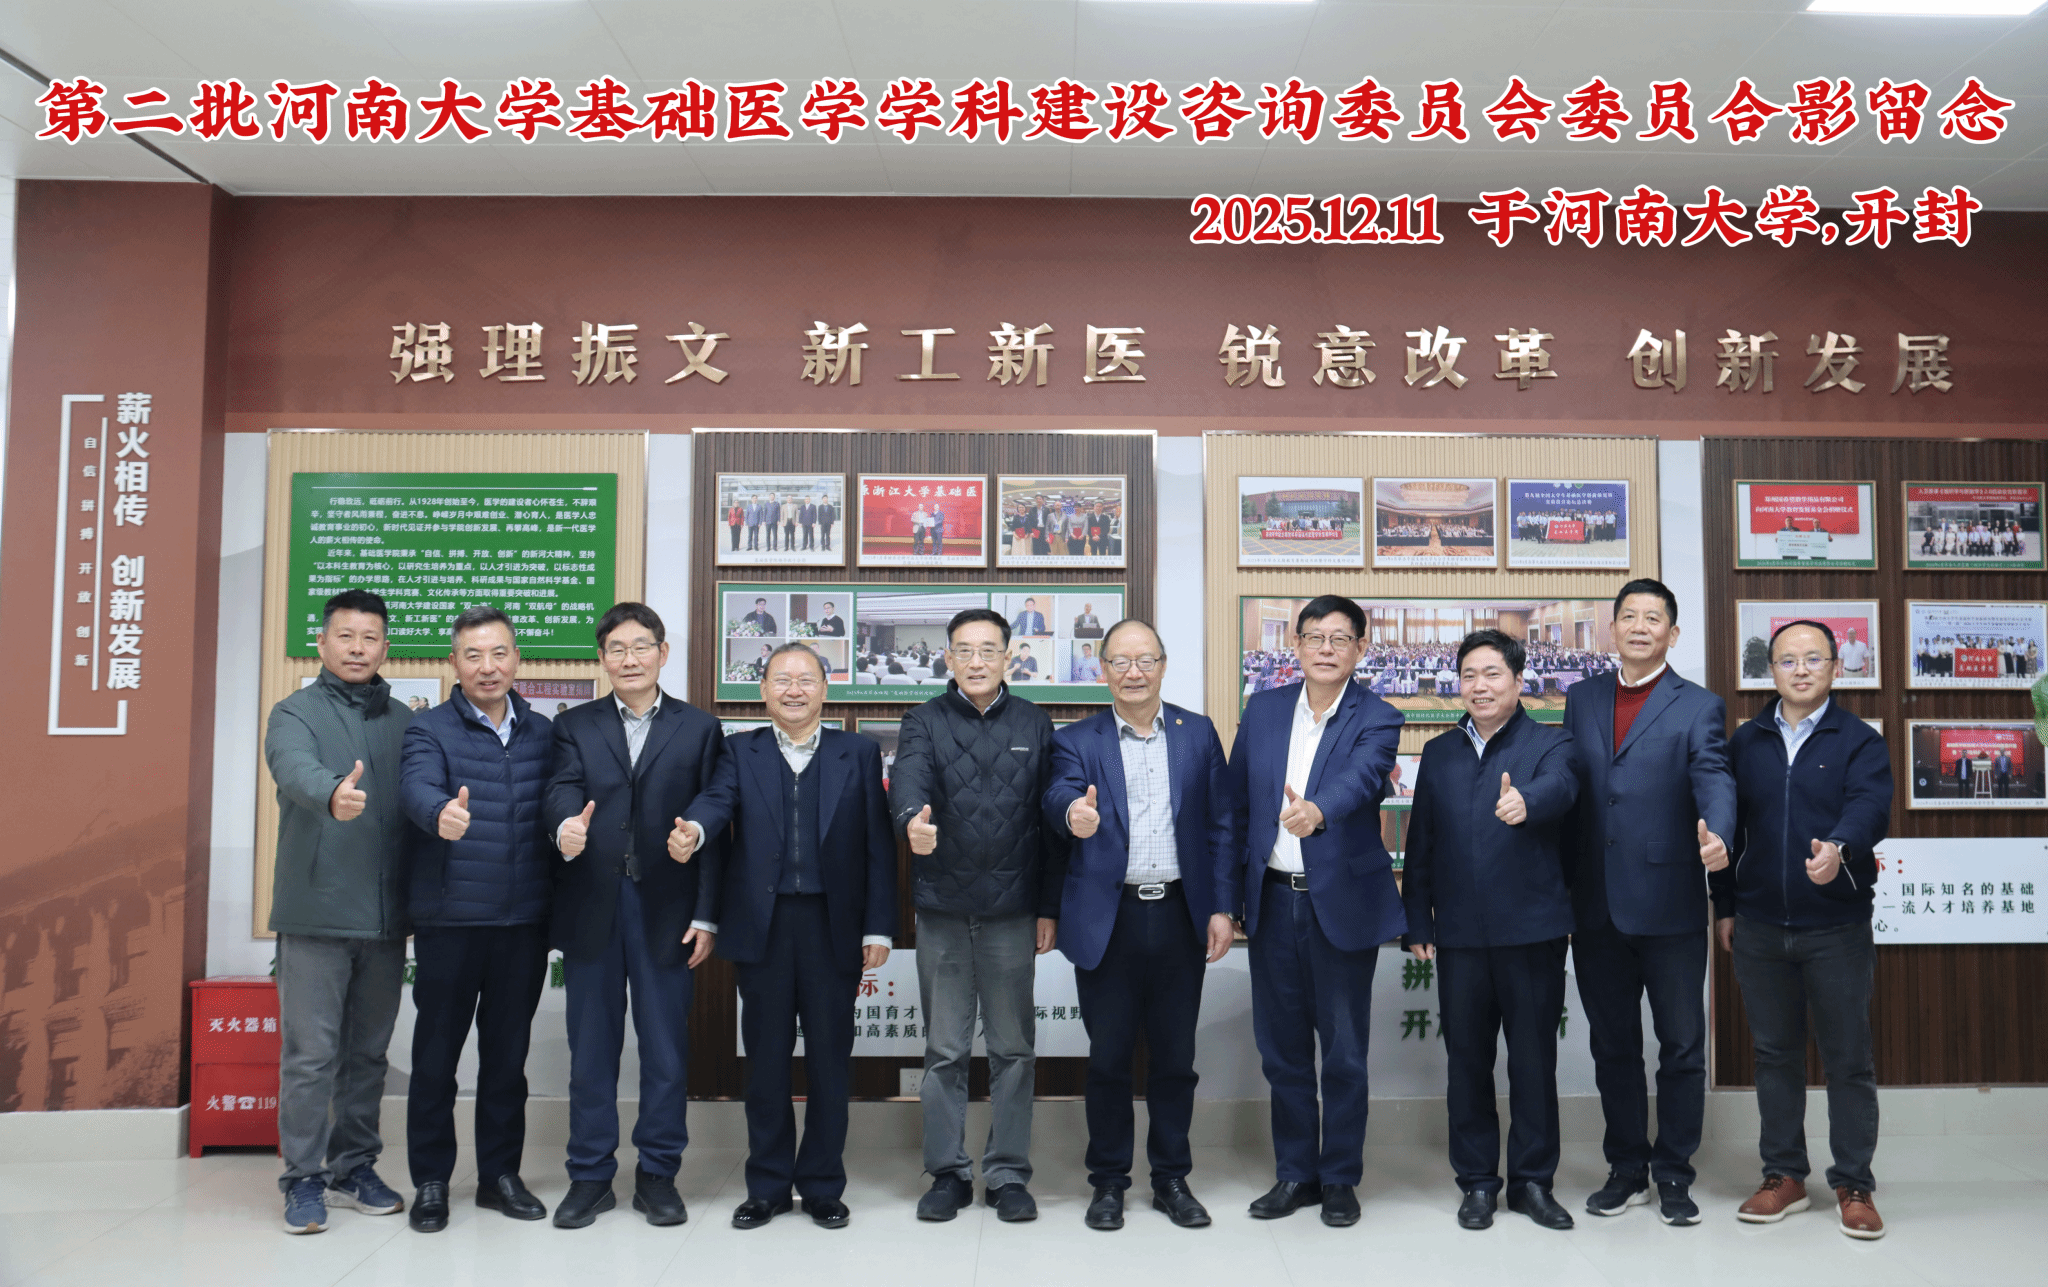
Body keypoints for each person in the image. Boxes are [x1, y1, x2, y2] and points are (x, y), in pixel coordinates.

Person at [681, 644, 897, 1230]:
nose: (794, 690)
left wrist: (879, 925)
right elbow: (717, 802)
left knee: (830, 1061)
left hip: (834, 926)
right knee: (766, 1062)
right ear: (763, 692)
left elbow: (878, 847)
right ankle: (768, 1186)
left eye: (806, 680)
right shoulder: (739, 750)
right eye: (782, 680)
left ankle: (823, 1184)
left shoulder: (857, 752)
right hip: (764, 927)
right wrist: (695, 828)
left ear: (826, 689)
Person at [1043, 619, 1238, 1232]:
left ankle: (1171, 1178)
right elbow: (1059, 795)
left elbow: (1222, 823)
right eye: (1121, 662)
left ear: (1162, 665)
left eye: (1145, 660)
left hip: (1180, 914)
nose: (1134, 672)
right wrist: (1072, 814)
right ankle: (1108, 1182)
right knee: (1108, 1059)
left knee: (1175, 1058)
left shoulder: (1196, 733)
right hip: (1110, 919)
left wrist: (1222, 907)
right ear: (1102, 669)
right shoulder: (1077, 739)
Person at [1225, 596, 1404, 1228]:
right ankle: (1295, 1172)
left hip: (1342, 903)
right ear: (1296, 646)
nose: (1326, 648)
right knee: (1283, 1050)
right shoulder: (1265, 709)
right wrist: (1231, 897)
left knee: (1345, 1052)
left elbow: (1365, 777)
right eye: (1315, 637)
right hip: (1272, 900)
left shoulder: (1378, 715)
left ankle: (1340, 1177)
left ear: (1361, 648)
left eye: (1340, 638)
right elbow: (1236, 805)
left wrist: (1318, 809)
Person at [544, 603, 724, 1229]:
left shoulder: (699, 728)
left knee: (666, 1051)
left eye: (641, 646)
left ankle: (657, 1174)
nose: (629, 659)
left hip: (667, 909)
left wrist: (705, 904)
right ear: (602, 658)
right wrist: (564, 826)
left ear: (662, 653)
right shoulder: (575, 725)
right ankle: (590, 1175)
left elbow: (717, 803)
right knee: (591, 1051)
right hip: (593, 904)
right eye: (616, 649)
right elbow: (560, 788)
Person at [1562, 578, 1736, 1227]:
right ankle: (1627, 1167)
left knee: (1682, 1045)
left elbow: (1713, 775)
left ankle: (1674, 1172)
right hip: (1596, 903)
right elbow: (1571, 784)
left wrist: (1719, 833)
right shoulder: (1582, 698)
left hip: (1670, 902)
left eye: (1653, 617)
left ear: (1673, 633)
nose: (1640, 626)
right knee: (1613, 1046)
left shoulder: (1698, 705)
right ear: (1612, 629)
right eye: (1629, 616)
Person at [1713, 620, 1893, 1240]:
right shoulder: (1747, 741)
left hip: (1835, 925)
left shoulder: (1859, 740)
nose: (1800, 669)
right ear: (1772, 671)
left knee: (1848, 1058)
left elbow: (1870, 808)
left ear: (1836, 668)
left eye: (1813, 658)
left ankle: (1854, 1183)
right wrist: (1724, 905)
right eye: (1788, 660)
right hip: (1759, 924)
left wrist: (1839, 847)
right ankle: (1784, 1175)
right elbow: (1727, 829)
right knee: (1774, 1055)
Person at [1402, 630, 1581, 1233]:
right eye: (1469, 675)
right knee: (1467, 1065)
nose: (1479, 686)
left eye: (1492, 674)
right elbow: (1421, 842)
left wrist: (1528, 801)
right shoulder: (1440, 753)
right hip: (1458, 937)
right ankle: (1477, 1182)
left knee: (1533, 1064)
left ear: (1519, 681)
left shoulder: (1551, 744)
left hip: (1531, 933)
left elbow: (1564, 788)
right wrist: (1417, 918)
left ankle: (1533, 1183)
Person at [889, 608, 1064, 1224]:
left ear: (1009, 657)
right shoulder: (923, 720)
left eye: (989, 650)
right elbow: (908, 781)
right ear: (948, 659)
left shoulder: (1034, 722)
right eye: (964, 650)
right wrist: (911, 822)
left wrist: (1048, 908)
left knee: (1014, 1049)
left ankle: (1008, 1173)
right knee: (945, 1049)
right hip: (942, 909)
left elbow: (1050, 819)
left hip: (1013, 912)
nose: (977, 661)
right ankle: (948, 1173)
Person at [397, 606, 555, 1231]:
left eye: (498, 653)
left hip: (522, 923)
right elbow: (415, 787)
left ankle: (500, 1177)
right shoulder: (428, 729)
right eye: (473, 655)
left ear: (516, 659)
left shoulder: (543, 732)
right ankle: (432, 1181)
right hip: (451, 920)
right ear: (454, 663)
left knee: (507, 1061)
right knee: (436, 1059)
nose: (487, 667)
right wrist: (439, 812)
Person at [263, 589, 413, 1234]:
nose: (357, 648)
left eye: (370, 637)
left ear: (385, 647)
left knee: (368, 1056)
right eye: (345, 636)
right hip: (317, 915)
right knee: (311, 1057)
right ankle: (302, 1178)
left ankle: (355, 1167)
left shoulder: (403, 719)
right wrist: (330, 794)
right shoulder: (294, 713)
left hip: (384, 920)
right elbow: (292, 768)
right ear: (322, 643)